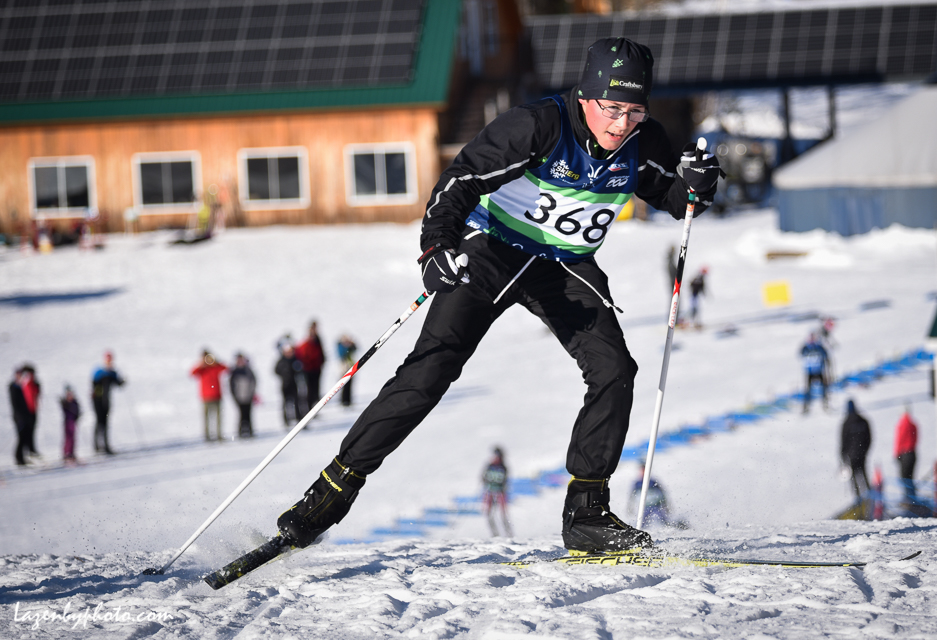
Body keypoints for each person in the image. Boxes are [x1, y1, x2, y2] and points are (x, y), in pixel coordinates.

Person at [274, 37, 721, 555]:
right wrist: (435, 247)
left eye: (634, 111)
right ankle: (331, 492)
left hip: (563, 267)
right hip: (492, 252)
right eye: (612, 108)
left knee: (615, 370)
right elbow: (459, 181)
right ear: (585, 98)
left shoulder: (645, 141)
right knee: (431, 369)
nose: (621, 124)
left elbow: (671, 194)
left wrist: (696, 185)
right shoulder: (537, 126)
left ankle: (587, 515)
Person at [91, 350, 125, 455]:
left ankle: (105, 445)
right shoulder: (99, 372)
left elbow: (118, 383)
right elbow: (94, 384)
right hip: (98, 401)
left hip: (107, 401)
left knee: (105, 423)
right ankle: (96, 445)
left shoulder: (112, 373)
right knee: (99, 421)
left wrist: (122, 381)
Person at [191, 349, 228, 441]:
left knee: (218, 418)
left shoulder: (215, 367)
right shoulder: (202, 369)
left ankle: (219, 435)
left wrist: (216, 361)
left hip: (217, 396)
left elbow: (226, 368)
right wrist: (201, 364)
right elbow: (193, 373)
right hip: (206, 397)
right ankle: (207, 436)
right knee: (206, 418)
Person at [841, 399, 872, 500]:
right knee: (864, 476)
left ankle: (858, 502)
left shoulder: (846, 423)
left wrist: (843, 458)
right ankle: (870, 499)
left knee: (854, 481)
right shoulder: (863, 421)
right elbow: (869, 438)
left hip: (851, 457)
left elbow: (843, 442)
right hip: (862, 455)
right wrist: (865, 450)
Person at [296, 321, 326, 417]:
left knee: (315, 390)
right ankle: (309, 410)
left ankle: (314, 409)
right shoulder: (306, 344)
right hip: (308, 370)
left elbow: (321, 354)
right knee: (309, 391)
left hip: (316, 369)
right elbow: (302, 356)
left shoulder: (318, 341)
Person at [482, 447, 512, 537]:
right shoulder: (489, 466)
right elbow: (484, 477)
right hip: (490, 491)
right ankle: (495, 534)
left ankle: (508, 534)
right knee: (489, 514)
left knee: (503, 514)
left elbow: (504, 480)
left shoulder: (503, 467)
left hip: (500, 492)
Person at [274, 340, 303, 427]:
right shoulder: (281, 361)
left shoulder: (295, 360)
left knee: (297, 402)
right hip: (285, 385)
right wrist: (284, 374)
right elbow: (276, 370)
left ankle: (299, 419)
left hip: (294, 384)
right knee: (285, 403)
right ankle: (286, 420)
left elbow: (300, 369)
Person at [800, 332, 830, 413]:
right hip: (810, 371)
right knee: (808, 389)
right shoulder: (806, 347)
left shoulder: (819, 347)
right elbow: (800, 354)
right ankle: (806, 405)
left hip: (819, 370)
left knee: (824, 387)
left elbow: (826, 355)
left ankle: (825, 403)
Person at [230, 353, 257, 438]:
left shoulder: (248, 371)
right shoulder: (235, 372)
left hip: (248, 396)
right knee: (241, 415)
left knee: (248, 414)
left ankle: (250, 431)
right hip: (239, 397)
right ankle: (241, 431)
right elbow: (232, 386)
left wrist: (251, 393)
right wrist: (235, 396)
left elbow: (253, 382)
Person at [894, 407, 918, 501]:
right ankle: (912, 498)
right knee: (910, 477)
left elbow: (900, 439)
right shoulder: (913, 424)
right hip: (912, 453)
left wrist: (897, 453)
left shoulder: (903, 424)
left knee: (905, 478)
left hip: (905, 453)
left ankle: (909, 499)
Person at [8, 367, 31, 466]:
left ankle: (22, 458)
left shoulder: (22, 387)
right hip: (19, 417)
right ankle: (19, 458)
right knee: (21, 438)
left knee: (25, 437)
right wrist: (20, 417)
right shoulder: (14, 387)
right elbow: (15, 405)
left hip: (25, 417)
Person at [336, 335, 358, 407]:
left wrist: (351, 345)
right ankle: (343, 400)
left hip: (351, 366)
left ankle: (349, 400)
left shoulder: (350, 347)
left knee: (350, 385)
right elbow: (342, 354)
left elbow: (356, 348)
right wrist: (346, 346)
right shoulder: (341, 347)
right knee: (344, 384)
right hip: (344, 367)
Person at [60, 385, 81, 463]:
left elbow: (77, 410)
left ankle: (71, 452)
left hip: (73, 421)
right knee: (68, 438)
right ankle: (67, 453)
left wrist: (78, 415)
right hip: (68, 421)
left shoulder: (74, 402)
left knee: (73, 438)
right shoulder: (66, 403)